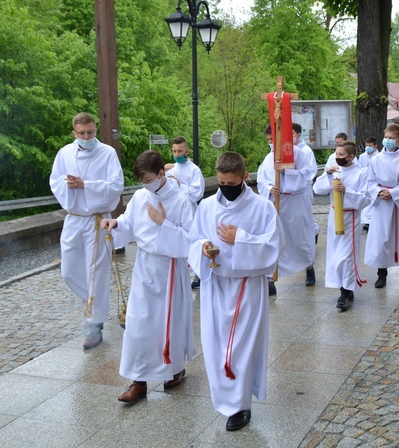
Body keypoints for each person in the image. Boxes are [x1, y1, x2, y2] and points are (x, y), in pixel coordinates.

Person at [188, 152, 281, 432]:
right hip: (215, 284)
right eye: (220, 183)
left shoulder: (263, 208)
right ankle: (224, 399)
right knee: (216, 347)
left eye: (231, 182)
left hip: (246, 286)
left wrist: (238, 238)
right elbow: (194, 239)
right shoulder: (205, 206)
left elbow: (272, 248)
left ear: (245, 177)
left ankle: (240, 406)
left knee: (240, 349)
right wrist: (203, 247)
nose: (225, 188)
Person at [100, 151, 195, 404]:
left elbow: (190, 241)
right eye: (142, 180)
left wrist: (163, 223)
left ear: (162, 174)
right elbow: (129, 222)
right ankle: (138, 381)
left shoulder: (182, 201)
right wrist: (116, 224)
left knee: (168, 324)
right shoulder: (140, 196)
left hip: (170, 268)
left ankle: (174, 369)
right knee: (138, 324)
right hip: (145, 267)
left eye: (149, 178)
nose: (146, 184)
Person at [49, 112, 124, 350]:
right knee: (69, 271)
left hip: (97, 219)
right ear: (74, 133)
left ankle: (95, 325)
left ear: (95, 130)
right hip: (73, 219)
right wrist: (67, 185)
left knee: (96, 272)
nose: (86, 136)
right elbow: (54, 180)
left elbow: (116, 186)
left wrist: (85, 185)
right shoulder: (65, 153)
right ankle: (92, 302)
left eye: (90, 132)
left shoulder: (107, 153)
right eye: (81, 133)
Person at [257, 123, 317, 290]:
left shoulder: (298, 153)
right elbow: (261, 179)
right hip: (275, 203)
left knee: (299, 238)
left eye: (272, 139)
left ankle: (309, 267)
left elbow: (306, 176)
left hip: (294, 203)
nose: (270, 143)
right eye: (268, 140)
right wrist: (270, 188)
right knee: (273, 239)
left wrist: (286, 173)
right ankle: (271, 278)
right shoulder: (268, 158)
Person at [313, 141, 370, 311]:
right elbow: (317, 189)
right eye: (336, 154)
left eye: (341, 155)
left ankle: (346, 292)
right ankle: (342, 287)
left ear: (351, 157)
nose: (337, 158)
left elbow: (365, 198)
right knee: (335, 255)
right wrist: (328, 175)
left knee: (346, 257)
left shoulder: (360, 173)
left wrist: (346, 191)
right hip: (333, 216)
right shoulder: (334, 170)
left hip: (350, 217)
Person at [364, 124, 399, 289]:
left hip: (398, 204)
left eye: (391, 138)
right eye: (386, 137)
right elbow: (369, 181)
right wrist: (379, 192)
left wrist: (393, 193)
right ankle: (381, 273)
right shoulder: (376, 159)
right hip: (381, 204)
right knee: (381, 238)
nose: (387, 141)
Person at [164, 136, 205, 289]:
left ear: (186, 151)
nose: (177, 154)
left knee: (192, 241)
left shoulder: (194, 170)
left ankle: (198, 274)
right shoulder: (171, 168)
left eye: (180, 151)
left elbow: (197, 193)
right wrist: (162, 171)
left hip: (189, 210)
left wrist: (180, 185)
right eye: (174, 151)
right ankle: (178, 273)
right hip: (174, 211)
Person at [358, 137, 379, 230]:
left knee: (373, 201)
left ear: (375, 146)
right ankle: (366, 221)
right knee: (366, 200)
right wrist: (366, 168)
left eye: (370, 146)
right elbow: (359, 169)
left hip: (375, 181)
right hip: (365, 181)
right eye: (366, 146)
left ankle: (372, 221)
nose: (368, 147)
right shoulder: (362, 157)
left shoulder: (378, 156)